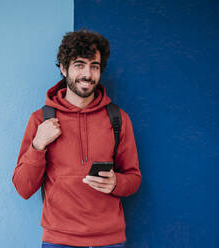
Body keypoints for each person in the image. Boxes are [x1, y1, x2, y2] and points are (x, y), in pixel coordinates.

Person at [12, 29, 142, 248]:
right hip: (59, 241)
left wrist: (116, 183)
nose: (88, 74)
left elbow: (134, 179)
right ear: (64, 68)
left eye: (94, 66)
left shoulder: (118, 118)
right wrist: (38, 144)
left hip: (109, 241)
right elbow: (23, 188)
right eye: (79, 65)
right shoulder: (41, 119)